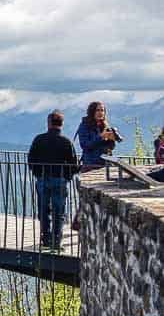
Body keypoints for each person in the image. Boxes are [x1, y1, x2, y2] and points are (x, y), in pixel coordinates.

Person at [28, 110, 79, 251]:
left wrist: (38, 174)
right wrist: (66, 177)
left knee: (44, 210)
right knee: (59, 212)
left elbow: (31, 160)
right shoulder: (66, 142)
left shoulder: (39, 139)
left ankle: (45, 239)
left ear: (48, 123)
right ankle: (56, 242)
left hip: (43, 179)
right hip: (60, 180)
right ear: (61, 124)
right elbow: (73, 165)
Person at [76, 101, 119, 170]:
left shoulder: (105, 126)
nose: (100, 113)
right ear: (92, 112)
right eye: (97, 110)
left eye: (102, 110)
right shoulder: (84, 125)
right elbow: (85, 145)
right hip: (91, 164)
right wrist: (101, 137)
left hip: (106, 164)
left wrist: (112, 140)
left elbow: (110, 148)